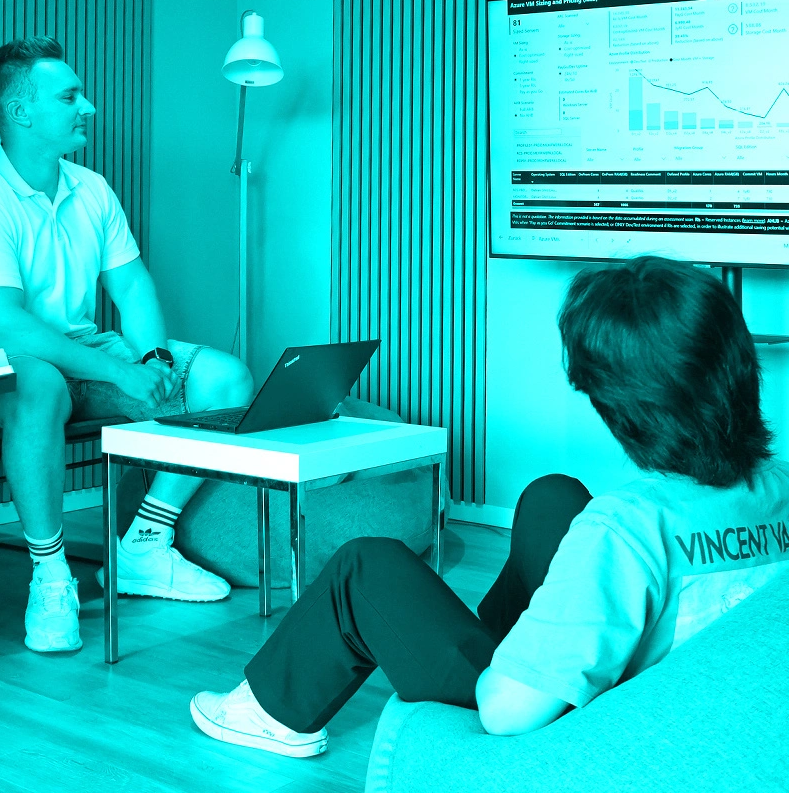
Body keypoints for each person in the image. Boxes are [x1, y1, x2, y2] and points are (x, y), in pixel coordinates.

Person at [189, 256, 789, 756]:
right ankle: (508, 642)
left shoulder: (625, 528)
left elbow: (506, 714)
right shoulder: (778, 484)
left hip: (590, 727)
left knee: (365, 568)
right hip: (692, 695)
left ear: (622, 406)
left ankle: (270, 712)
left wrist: (510, 679)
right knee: (552, 497)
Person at [0, 35, 254, 654]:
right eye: (70, 96)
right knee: (39, 382)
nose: (89, 106)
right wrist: (120, 371)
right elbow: (6, 328)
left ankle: (144, 546)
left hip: (85, 352)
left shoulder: (92, 188)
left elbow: (132, 287)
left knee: (225, 379)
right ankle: (50, 574)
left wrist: (154, 360)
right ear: (21, 111)